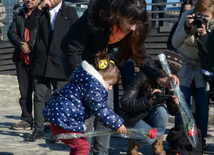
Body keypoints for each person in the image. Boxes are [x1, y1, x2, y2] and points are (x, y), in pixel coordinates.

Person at [61, 0, 179, 154]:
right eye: (130, 22)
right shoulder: (95, 16)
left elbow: (142, 57)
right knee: (88, 110)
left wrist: (159, 78)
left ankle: (101, 152)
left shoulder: (134, 28)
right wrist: (85, 83)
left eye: (137, 23)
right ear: (118, 14)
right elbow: (73, 51)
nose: (133, 27)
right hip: (76, 59)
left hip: (101, 61)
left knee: (106, 109)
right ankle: (82, 151)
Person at [43, 51, 127, 155]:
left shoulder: (86, 80)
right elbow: (101, 110)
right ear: (101, 76)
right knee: (83, 147)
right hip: (64, 124)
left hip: (62, 121)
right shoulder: (94, 87)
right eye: (110, 84)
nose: (110, 88)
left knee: (77, 147)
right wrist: (117, 123)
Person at [24, 0, 79, 142]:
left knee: (61, 98)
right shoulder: (41, 11)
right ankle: (38, 129)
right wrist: (40, 7)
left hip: (60, 61)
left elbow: (77, 34)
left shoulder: (70, 12)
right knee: (39, 96)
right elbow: (29, 25)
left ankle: (57, 131)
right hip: (41, 60)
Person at [172, 0, 214, 151]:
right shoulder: (186, 15)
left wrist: (204, 34)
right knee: (182, 105)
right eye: (199, 15)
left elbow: (213, 50)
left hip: (204, 68)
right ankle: (180, 140)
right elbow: (175, 43)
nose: (202, 19)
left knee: (203, 107)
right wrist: (185, 28)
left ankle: (200, 141)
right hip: (185, 66)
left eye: (207, 16)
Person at [119, 60, 180, 155]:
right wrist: (149, 100)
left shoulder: (170, 81)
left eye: (172, 74)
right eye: (166, 73)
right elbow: (124, 103)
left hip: (151, 114)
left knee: (162, 110)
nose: (168, 77)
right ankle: (133, 141)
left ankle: (158, 147)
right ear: (158, 69)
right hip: (134, 116)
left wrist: (174, 102)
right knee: (149, 138)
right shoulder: (143, 75)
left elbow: (172, 112)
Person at [7, 0, 41, 130]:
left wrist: (30, 44)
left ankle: (44, 121)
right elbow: (11, 32)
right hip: (21, 58)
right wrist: (21, 44)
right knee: (24, 92)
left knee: (42, 92)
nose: (30, 0)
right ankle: (26, 119)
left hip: (38, 58)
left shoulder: (43, 14)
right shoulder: (19, 14)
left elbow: (42, 34)